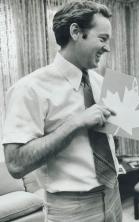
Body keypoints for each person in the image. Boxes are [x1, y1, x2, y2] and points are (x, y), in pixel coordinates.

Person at [2, 1, 122, 221]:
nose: (108, 48)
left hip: (114, 196)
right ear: (76, 32)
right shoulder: (28, 89)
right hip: (72, 209)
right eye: (102, 39)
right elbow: (16, 164)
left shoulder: (100, 82)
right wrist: (75, 123)